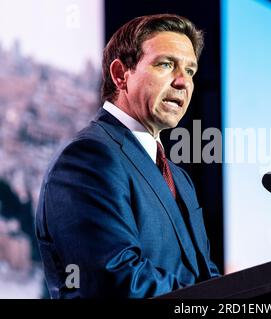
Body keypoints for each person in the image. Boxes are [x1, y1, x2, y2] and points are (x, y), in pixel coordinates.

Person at [35, 14, 220, 298]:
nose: (183, 82)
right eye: (166, 64)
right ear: (121, 74)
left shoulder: (179, 178)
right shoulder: (88, 158)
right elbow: (116, 280)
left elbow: (206, 275)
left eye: (191, 71)